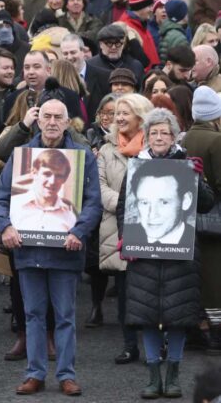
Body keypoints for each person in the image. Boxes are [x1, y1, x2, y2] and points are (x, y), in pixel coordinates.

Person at [0, 99, 102, 396]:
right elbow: (1, 198)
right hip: (28, 251)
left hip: (66, 250)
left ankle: (66, 374)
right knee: (33, 314)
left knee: (65, 315)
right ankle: (35, 373)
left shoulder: (82, 157)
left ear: (68, 122)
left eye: (58, 117)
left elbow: (93, 201)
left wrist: (79, 231)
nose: (52, 122)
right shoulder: (21, 157)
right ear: (38, 121)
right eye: (47, 116)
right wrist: (6, 226)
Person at [117, 108, 213, 398]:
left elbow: (206, 204)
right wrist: (125, 239)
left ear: (174, 136)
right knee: (146, 316)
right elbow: (124, 206)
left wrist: (198, 179)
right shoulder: (136, 165)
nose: (159, 137)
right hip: (144, 256)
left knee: (178, 317)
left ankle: (173, 375)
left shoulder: (186, 163)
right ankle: (152, 377)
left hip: (181, 258)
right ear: (147, 136)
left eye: (165, 132)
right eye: (154, 132)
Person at [97, 92, 153, 365]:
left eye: (124, 113)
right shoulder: (107, 149)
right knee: (124, 293)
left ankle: (156, 345)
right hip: (116, 228)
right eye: (117, 113)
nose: (118, 118)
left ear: (141, 117)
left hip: (152, 227)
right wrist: (127, 202)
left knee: (152, 291)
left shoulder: (155, 148)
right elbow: (99, 187)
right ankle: (130, 345)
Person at [183, 87, 221, 355]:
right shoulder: (216, 141)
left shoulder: (182, 139)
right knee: (213, 278)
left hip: (187, 219)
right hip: (213, 219)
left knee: (192, 277)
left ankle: (195, 329)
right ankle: (216, 332)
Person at [9, 149, 78, 232]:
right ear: (34, 173)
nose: (52, 181)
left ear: (64, 179)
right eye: (47, 174)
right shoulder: (14, 206)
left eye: (59, 176)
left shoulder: (70, 217)